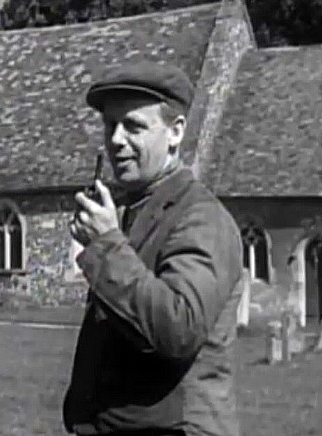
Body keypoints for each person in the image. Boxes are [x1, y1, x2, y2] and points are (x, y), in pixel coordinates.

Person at [63, 60, 243, 436]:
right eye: (110, 125)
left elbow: (177, 329)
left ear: (175, 133)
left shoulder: (202, 218)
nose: (116, 140)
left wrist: (107, 245)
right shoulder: (135, 212)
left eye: (133, 126)